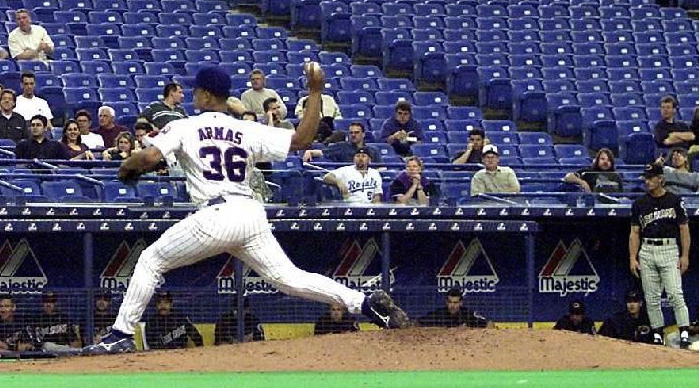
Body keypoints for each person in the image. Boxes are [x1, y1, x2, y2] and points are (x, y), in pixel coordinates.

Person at [83, 63, 409, 355]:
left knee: (150, 260)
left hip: (216, 215)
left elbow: (149, 159)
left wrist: (127, 165)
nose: (193, 94)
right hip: (251, 213)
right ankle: (367, 304)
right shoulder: (246, 128)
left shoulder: (184, 125)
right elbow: (302, 139)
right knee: (288, 278)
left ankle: (121, 333)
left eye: (196, 89)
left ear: (206, 95)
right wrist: (315, 92)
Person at [630, 162, 692, 347]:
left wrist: (685, 255)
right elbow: (634, 232)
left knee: (674, 293)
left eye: (650, 178)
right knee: (651, 297)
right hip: (647, 250)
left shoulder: (674, 200)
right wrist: (633, 257)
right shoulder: (640, 203)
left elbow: (684, 228)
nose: (647, 181)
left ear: (661, 179)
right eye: (645, 178)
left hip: (669, 248)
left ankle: (684, 333)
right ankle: (657, 333)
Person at [302, 122, 375, 164]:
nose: (353, 135)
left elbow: (382, 168)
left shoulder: (372, 150)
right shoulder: (342, 146)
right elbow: (322, 152)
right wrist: (310, 152)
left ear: (363, 134)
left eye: (356, 133)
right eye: (351, 133)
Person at [417, 287, 489, 327]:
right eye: (450, 302)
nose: (452, 306)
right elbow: (418, 323)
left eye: (455, 303)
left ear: (461, 303)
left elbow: (489, 324)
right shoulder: (439, 314)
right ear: (446, 302)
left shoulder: (468, 314)